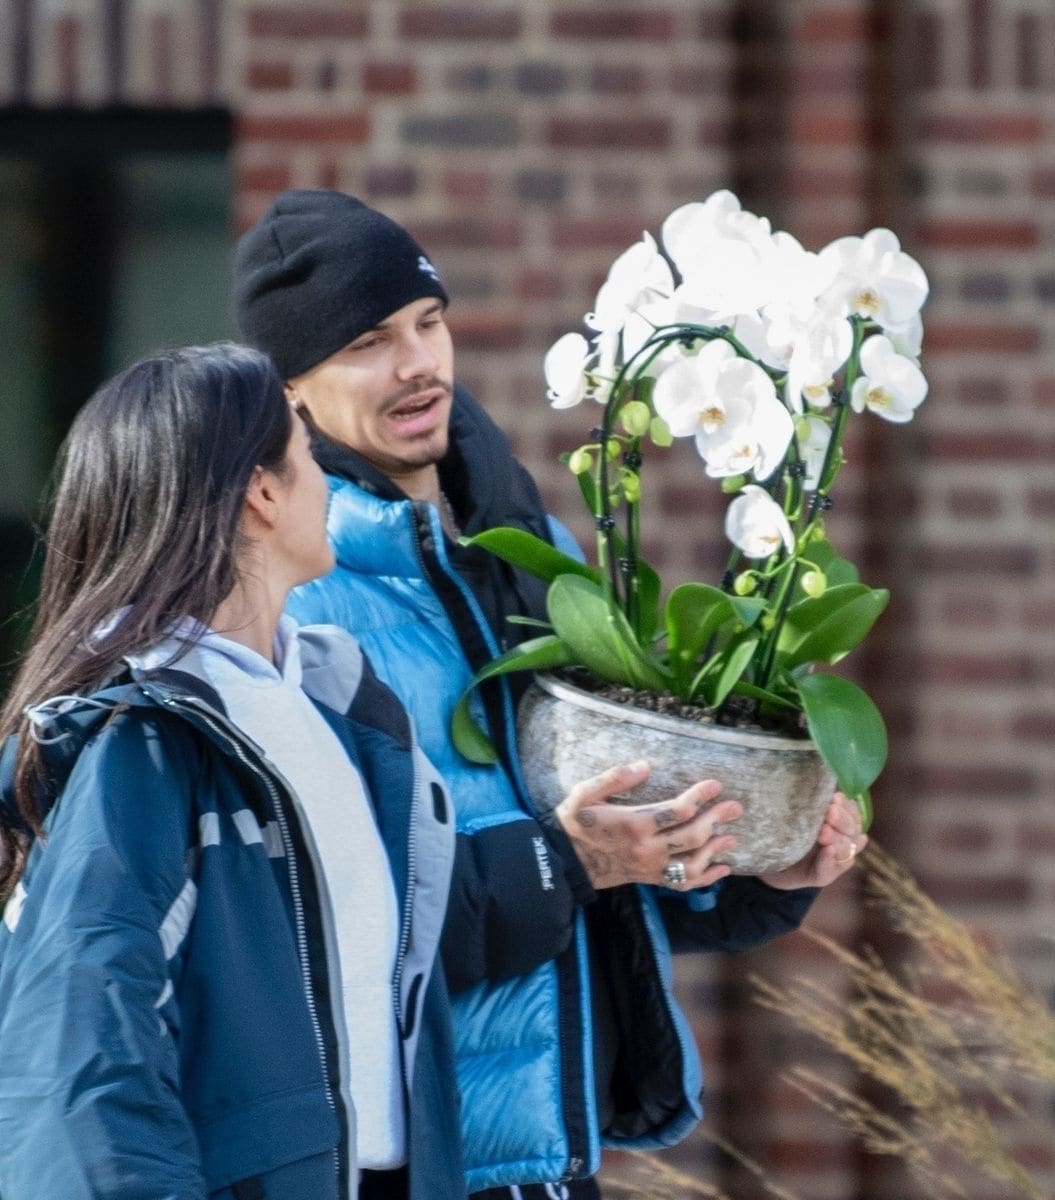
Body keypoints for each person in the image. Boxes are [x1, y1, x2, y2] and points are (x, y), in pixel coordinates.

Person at [232, 191, 868, 1199]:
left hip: (553, 1162)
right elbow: (313, 928)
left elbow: (608, 875)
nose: (418, 365)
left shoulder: (532, 555)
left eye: (427, 324)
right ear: (290, 390)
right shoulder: (288, 606)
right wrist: (564, 861)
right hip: (408, 1166)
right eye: (367, 342)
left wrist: (758, 866)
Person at [0, 344, 462, 1200]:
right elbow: (78, 1063)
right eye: (305, 449)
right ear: (262, 491)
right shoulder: (138, 744)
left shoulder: (344, 717)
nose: (325, 477)